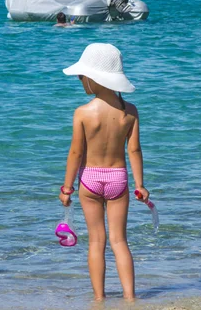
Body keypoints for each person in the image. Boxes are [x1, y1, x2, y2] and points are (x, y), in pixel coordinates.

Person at [59, 43, 150, 301]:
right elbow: (134, 150)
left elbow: (76, 154)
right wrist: (140, 184)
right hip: (118, 179)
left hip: (90, 180)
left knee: (97, 242)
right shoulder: (129, 111)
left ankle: (99, 299)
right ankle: (130, 298)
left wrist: (67, 189)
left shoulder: (84, 113)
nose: (79, 79)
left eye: (82, 75)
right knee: (120, 241)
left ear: (94, 79)